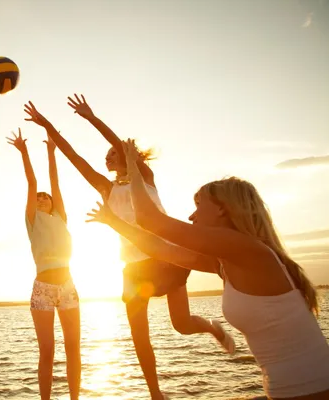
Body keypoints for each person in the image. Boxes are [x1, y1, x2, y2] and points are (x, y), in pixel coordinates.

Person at [24, 98, 234, 400]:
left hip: (167, 256)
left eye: (113, 154)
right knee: (139, 335)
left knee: (182, 324)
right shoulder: (106, 188)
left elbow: (119, 144)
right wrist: (47, 126)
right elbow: (73, 156)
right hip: (134, 267)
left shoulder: (143, 177)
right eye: (107, 156)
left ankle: (213, 329)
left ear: (126, 157)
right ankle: (155, 394)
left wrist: (91, 118)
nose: (107, 158)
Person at [87, 140, 329, 400]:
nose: (192, 216)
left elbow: (150, 221)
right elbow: (161, 249)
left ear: (224, 210)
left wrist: (134, 170)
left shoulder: (247, 249)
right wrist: (113, 222)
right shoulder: (227, 261)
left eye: (199, 205)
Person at [7, 129, 81, 400]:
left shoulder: (60, 216)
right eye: (37, 198)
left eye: (45, 197)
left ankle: (75, 398)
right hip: (43, 289)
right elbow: (32, 181)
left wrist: (51, 151)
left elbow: (54, 181)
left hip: (68, 286)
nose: (41, 198)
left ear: (52, 203)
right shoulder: (32, 221)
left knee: (73, 347)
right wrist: (24, 152)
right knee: (47, 350)